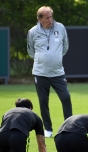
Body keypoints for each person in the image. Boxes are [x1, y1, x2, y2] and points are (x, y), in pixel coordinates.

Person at [27, 6, 72, 138]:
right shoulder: (32, 32)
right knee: (43, 101)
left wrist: (55, 58)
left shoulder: (60, 27)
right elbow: (30, 51)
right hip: (40, 73)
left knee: (66, 97)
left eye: (51, 16)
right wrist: (43, 60)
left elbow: (65, 46)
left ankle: (69, 126)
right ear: (40, 19)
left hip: (58, 72)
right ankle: (48, 128)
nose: (50, 20)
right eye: (47, 18)